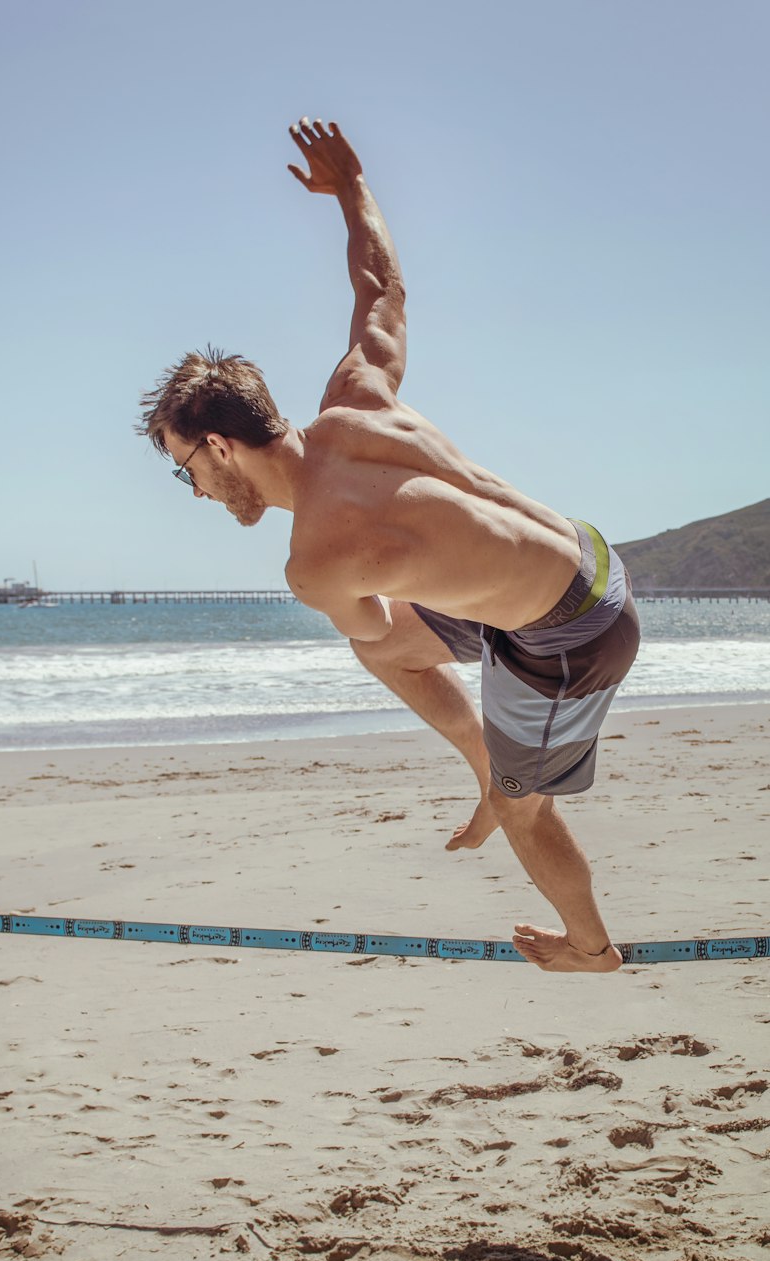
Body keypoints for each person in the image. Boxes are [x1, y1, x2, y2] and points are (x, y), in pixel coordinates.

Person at [138, 118, 640, 974]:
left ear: (219, 447)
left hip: (572, 635)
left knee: (521, 807)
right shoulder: (356, 400)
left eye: (184, 468)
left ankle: (591, 946)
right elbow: (381, 291)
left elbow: (373, 628)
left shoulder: (316, 561)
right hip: (582, 558)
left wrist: (388, 611)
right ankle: (490, 757)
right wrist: (353, 188)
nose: (193, 491)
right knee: (383, 644)